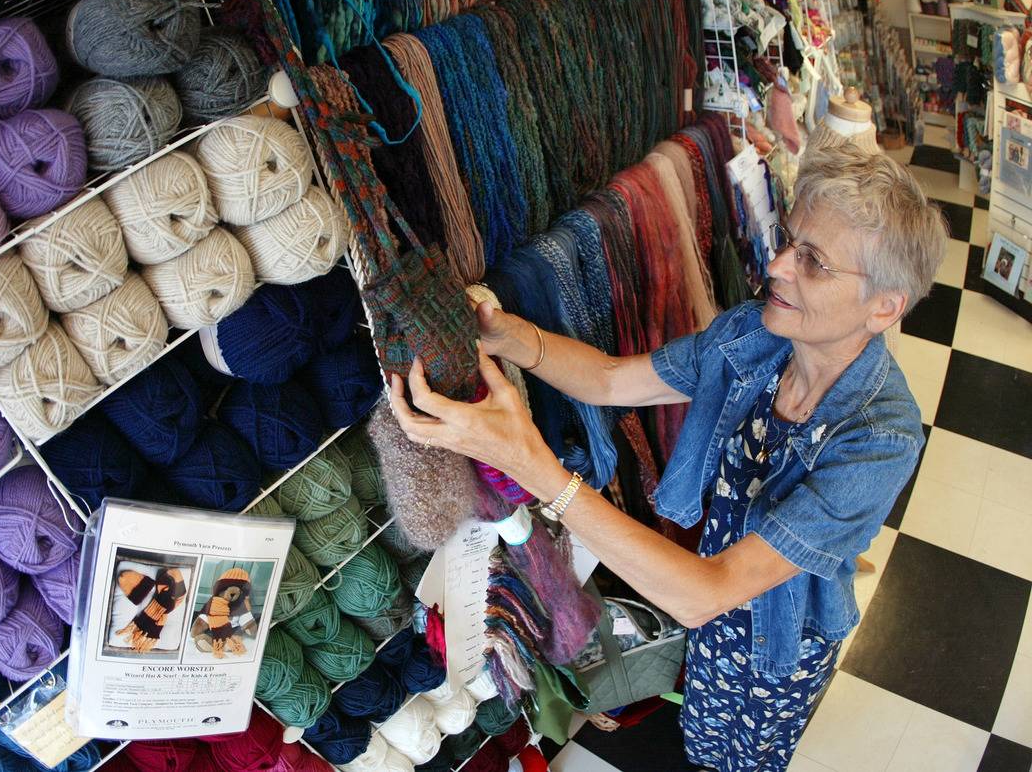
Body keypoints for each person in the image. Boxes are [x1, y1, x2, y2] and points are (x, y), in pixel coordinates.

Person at [388, 144, 948, 771]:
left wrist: (533, 465)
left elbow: (707, 593)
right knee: (703, 732)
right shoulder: (757, 334)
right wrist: (508, 334)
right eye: (790, 240)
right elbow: (609, 381)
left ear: (885, 306)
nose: (779, 265)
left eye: (814, 262)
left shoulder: (879, 439)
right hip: (714, 599)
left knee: (748, 757)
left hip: (782, 636)